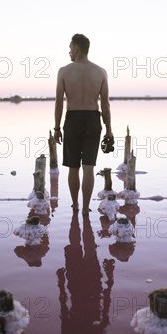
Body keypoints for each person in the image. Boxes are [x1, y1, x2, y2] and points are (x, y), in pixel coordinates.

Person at [54, 34, 113, 215]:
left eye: (70, 48)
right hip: (93, 120)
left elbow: (58, 103)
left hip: (72, 120)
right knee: (89, 167)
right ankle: (86, 209)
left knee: (73, 167)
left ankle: (76, 206)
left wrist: (56, 128)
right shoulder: (100, 72)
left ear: (77, 49)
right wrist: (109, 129)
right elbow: (105, 105)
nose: (69, 52)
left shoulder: (63, 71)